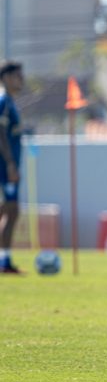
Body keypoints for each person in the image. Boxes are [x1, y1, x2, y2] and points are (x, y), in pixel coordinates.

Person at [0, 60, 24, 274]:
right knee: (9, 209)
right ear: (6, 77)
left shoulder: (11, 102)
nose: (22, 79)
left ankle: (4, 261)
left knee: (13, 211)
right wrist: (9, 164)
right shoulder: (3, 101)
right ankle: (3, 261)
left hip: (10, 167)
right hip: (5, 168)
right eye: (18, 75)